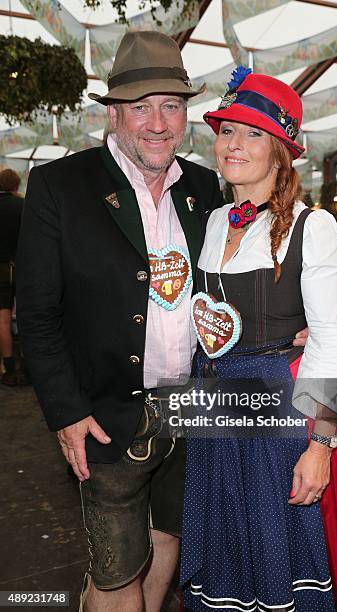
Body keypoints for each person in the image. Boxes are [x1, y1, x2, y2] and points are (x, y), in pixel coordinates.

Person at [16, 31, 225, 612]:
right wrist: (67, 412)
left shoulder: (204, 187)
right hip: (107, 415)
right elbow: (36, 315)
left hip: (191, 411)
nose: (159, 123)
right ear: (113, 113)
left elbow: (223, 286)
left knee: (167, 543)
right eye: (142, 107)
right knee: (115, 570)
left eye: (172, 106)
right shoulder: (62, 186)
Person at [181, 70, 337, 611]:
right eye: (227, 132)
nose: (234, 145)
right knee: (222, 556)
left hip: (274, 417)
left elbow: (331, 343)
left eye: (253, 134)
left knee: (276, 564)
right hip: (213, 407)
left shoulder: (312, 226)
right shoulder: (216, 220)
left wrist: (320, 445)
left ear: (280, 152)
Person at [0, 168, 24, 386]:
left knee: (3, 318)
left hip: (0, 268)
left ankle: (8, 368)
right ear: (16, 185)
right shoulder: (22, 206)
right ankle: (27, 366)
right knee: (26, 314)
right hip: (21, 267)